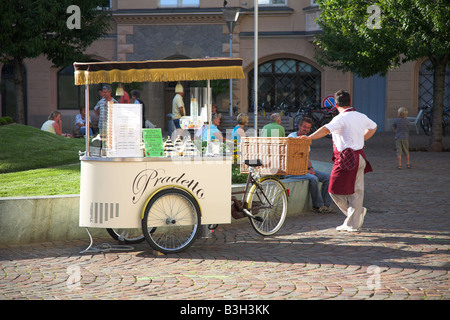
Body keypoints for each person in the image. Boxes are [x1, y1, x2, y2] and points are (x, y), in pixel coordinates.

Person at [300, 90, 377, 232]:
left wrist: (309, 137)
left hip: (346, 158)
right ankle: (353, 220)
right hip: (360, 156)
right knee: (357, 191)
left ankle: (353, 217)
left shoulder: (340, 119)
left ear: (335, 104)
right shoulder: (360, 116)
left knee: (333, 189)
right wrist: (362, 139)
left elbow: (324, 129)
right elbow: (374, 127)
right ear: (350, 102)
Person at [288, 117, 333, 213]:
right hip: (293, 170)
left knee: (328, 177)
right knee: (313, 179)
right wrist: (307, 171)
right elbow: (291, 159)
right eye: (304, 127)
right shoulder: (291, 138)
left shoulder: (306, 139)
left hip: (304, 169)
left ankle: (327, 205)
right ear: (299, 126)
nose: (306, 129)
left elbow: (306, 157)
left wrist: (311, 168)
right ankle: (318, 206)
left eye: (308, 128)